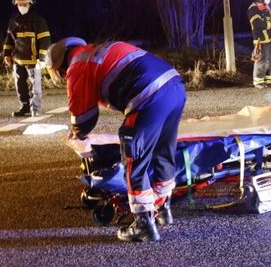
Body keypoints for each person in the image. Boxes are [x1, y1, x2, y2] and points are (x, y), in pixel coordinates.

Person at [46, 38, 186, 243]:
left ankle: (143, 224)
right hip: (174, 87)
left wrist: (77, 134)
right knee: (162, 153)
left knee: (133, 157)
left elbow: (83, 116)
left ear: (59, 65)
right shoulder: (97, 51)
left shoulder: (78, 64)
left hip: (148, 95)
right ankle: (163, 210)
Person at [2, 0, 52, 117]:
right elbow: (9, 38)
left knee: (36, 85)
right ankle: (24, 106)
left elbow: (45, 41)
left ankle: (35, 108)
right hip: (18, 59)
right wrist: (6, 54)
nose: (22, 6)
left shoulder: (38, 21)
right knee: (20, 84)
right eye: (20, 4)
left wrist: (42, 59)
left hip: (33, 60)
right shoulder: (14, 20)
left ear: (30, 4)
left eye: (24, 4)